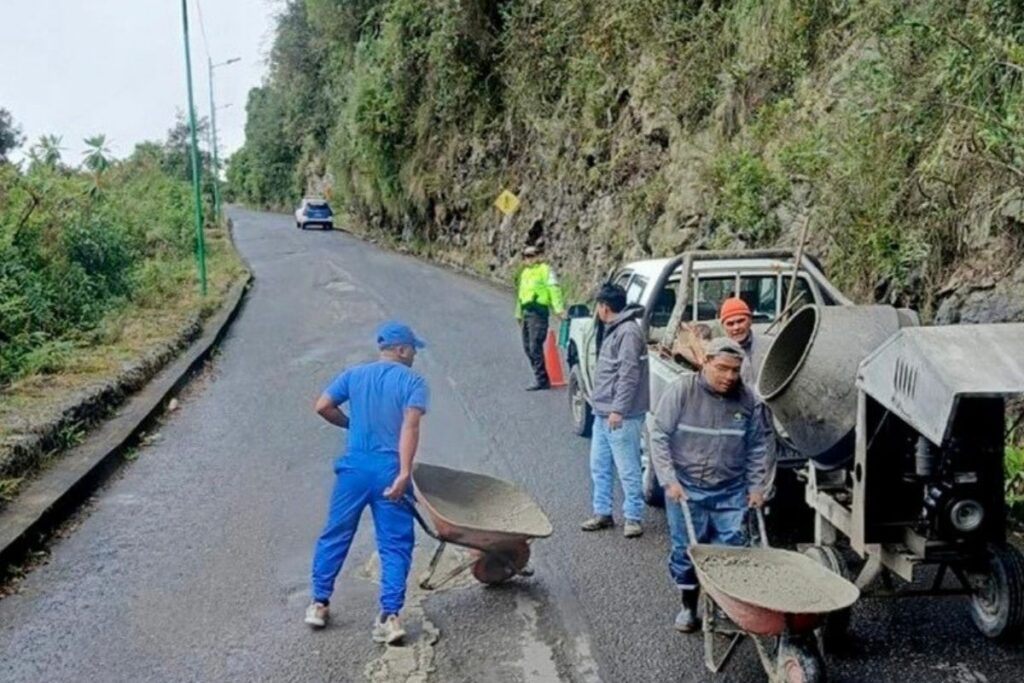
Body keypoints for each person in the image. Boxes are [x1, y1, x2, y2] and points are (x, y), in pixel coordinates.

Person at [305, 321, 430, 646]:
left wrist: (351, 425)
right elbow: (410, 429)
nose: (415, 354)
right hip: (389, 469)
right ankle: (389, 617)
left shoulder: (354, 376)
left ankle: (319, 604)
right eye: (413, 348)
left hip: (354, 469)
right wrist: (404, 472)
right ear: (401, 350)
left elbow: (322, 406)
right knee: (395, 544)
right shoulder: (413, 382)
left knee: (336, 533)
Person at [648, 337, 768, 633]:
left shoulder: (748, 400)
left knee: (732, 551)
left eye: (735, 370)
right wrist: (669, 480)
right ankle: (689, 607)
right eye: (722, 368)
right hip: (687, 490)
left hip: (730, 489)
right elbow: (659, 435)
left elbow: (757, 446)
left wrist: (756, 487)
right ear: (706, 363)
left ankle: (728, 607)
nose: (729, 377)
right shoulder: (682, 391)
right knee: (688, 550)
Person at [580, 283, 650, 538]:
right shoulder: (614, 329)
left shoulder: (628, 333)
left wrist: (618, 410)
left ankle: (633, 517)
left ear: (604, 307)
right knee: (599, 466)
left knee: (627, 467)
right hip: (602, 411)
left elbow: (629, 375)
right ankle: (603, 512)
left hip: (621, 415)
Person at [515, 245, 565, 391]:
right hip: (526, 313)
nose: (529, 259)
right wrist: (518, 314)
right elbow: (521, 295)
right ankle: (541, 377)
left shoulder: (545, 270)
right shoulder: (524, 273)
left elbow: (554, 289)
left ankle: (541, 379)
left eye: (532, 255)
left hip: (539, 313)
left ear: (538, 256)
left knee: (535, 345)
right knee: (527, 347)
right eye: (526, 256)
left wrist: (558, 309)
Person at [718, 297, 762, 387]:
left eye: (740, 321)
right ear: (723, 327)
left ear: (750, 320)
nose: (736, 328)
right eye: (730, 324)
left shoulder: (769, 345)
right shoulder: (717, 353)